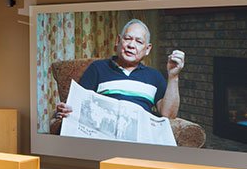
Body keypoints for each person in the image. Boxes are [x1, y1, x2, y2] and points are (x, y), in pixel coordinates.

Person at [51, 19, 185, 132]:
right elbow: (77, 106)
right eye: (127, 39)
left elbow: (168, 115)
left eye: (139, 41)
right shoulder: (98, 68)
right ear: (118, 41)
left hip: (140, 137)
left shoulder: (154, 76)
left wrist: (173, 77)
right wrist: (65, 109)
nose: (131, 45)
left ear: (147, 49)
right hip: (102, 134)